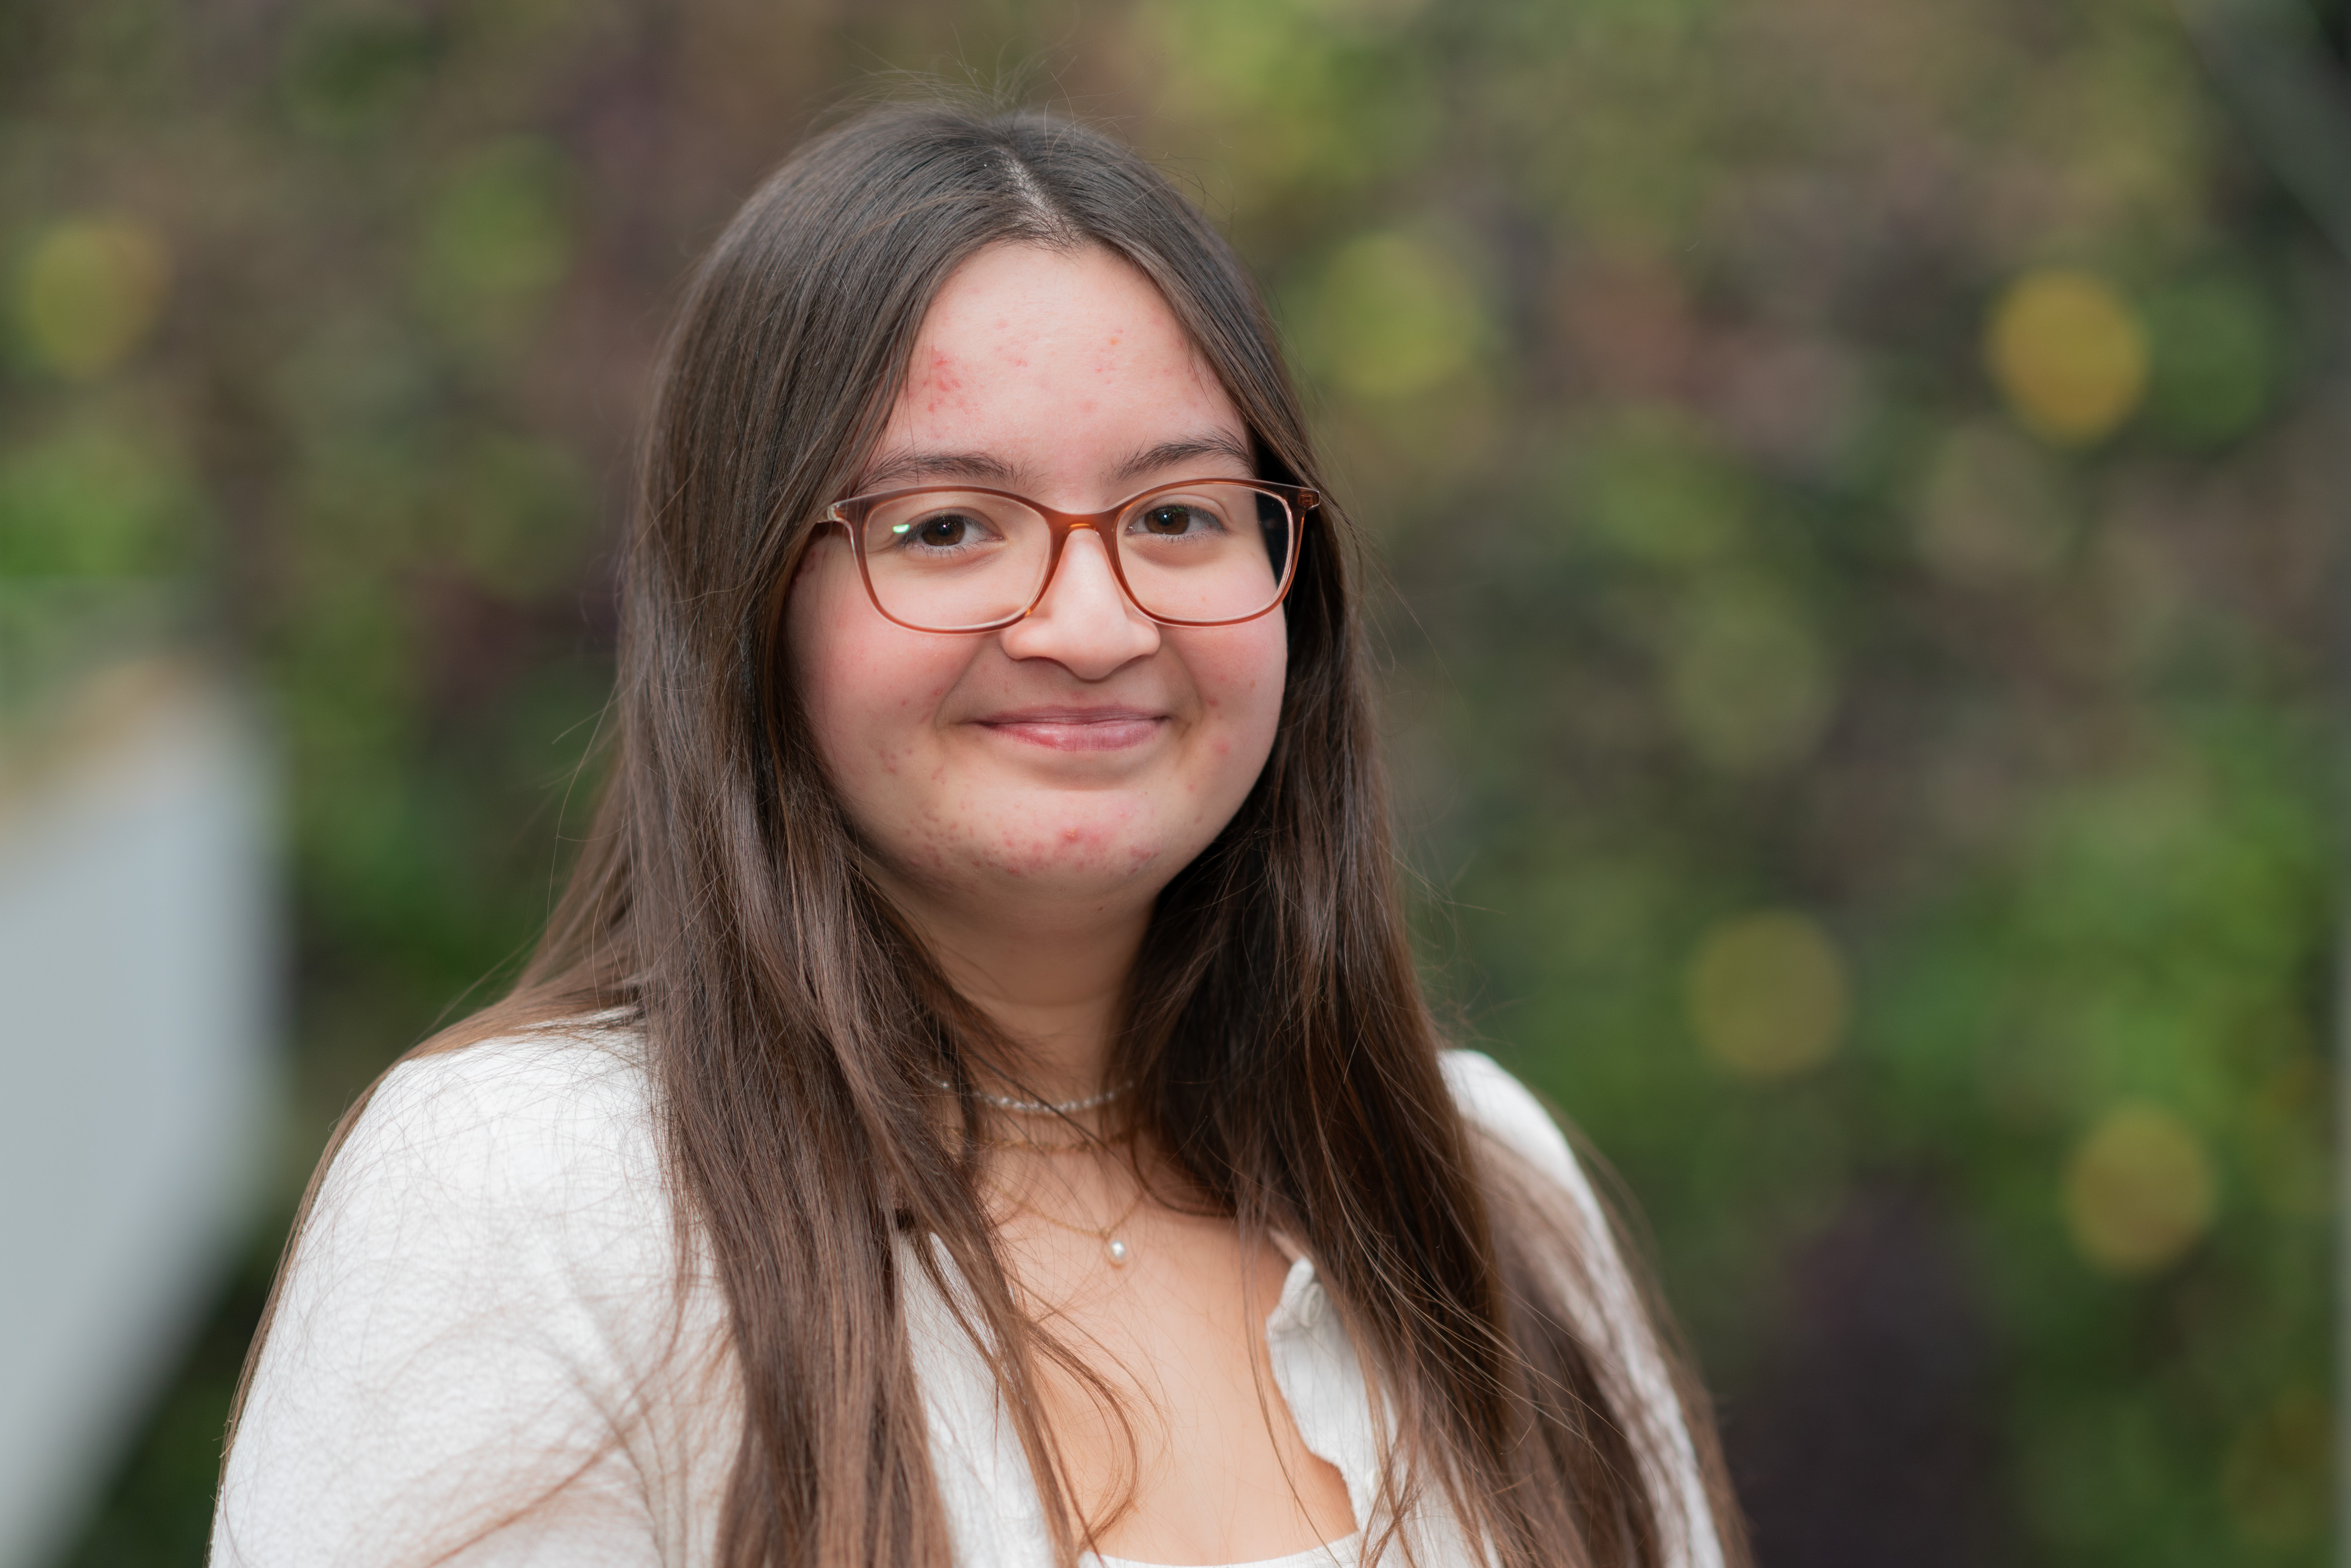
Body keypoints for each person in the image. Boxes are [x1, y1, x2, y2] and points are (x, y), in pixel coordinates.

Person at [210, 99, 1748, 1568]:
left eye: (1179, 515)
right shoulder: (540, 1196)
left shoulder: (1480, 1188)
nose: (1093, 622)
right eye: (945, 525)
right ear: (751, 608)